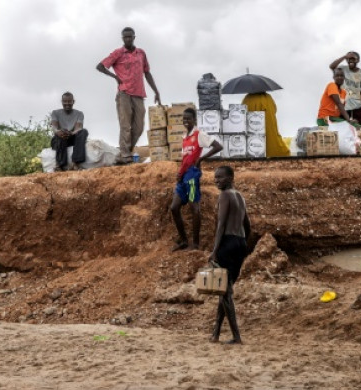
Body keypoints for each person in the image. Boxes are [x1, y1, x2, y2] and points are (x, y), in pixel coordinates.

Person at [96, 27, 161, 165]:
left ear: (134, 37)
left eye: (130, 37)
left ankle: (126, 151)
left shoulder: (141, 53)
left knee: (139, 127)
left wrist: (156, 91)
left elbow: (147, 72)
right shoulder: (118, 53)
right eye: (125, 37)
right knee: (125, 125)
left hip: (138, 93)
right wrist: (115, 76)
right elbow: (100, 66)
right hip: (124, 93)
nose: (128, 39)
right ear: (122, 38)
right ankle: (125, 155)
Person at [209, 165, 251, 345]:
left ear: (231, 178)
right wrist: (242, 244)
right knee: (225, 289)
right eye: (215, 178)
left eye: (220, 177)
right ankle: (216, 334)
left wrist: (215, 250)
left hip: (227, 243)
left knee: (225, 292)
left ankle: (236, 336)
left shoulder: (225, 196)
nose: (216, 180)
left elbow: (221, 225)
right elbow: (247, 225)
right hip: (240, 243)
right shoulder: (240, 196)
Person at [171, 108, 223, 251]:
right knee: (174, 208)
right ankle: (183, 241)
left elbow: (218, 146)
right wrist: (179, 172)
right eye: (184, 119)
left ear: (194, 120)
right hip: (183, 176)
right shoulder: (185, 137)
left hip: (192, 175)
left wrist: (201, 159)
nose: (185, 121)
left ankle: (195, 244)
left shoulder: (199, 134)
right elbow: (185, 158)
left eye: (188, 118)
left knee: (195, 208)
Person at [241, 92, 290, 158]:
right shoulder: (268, 98)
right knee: (273, 140)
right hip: (269, 131)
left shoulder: (247, 98)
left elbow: (242, 112)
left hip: (251, 134)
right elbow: (274, 110)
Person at [328, 51, 361, 129]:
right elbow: (332, 66)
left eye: (353, 58)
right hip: (342, 106)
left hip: (356, 107)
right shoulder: (342, 69)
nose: (350, 61)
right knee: (342, 129)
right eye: (349, 59)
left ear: (358, 60)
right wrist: (344, 57)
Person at [50, 92, 87, 171]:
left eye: (69, 101)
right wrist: (58, 132)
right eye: (65, 101)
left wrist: (71, 133)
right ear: (62, 102)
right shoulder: (55, 113)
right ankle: (60, 165)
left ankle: (76, 163)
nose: (67, 104)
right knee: (60, 135)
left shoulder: (79, 114)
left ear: (73, 102)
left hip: (72, 137)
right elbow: (54, 127)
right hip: (59, 139)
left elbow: (78, 128)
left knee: (83, 131)